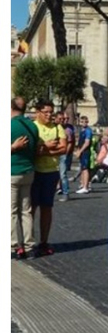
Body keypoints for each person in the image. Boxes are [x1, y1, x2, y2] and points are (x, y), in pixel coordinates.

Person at [30, 100, 67, 257]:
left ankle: (44, 241)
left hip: (51, 172)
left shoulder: (57, 128)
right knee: (31, 208)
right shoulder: (33, 127)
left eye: (51, 112)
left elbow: (64, 148)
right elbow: (31, 150)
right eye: (46, 112)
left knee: (47, 207)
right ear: (38, 112)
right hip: (35, 172)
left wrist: (43, 150)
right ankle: (28, 241)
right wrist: (48, 147)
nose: (49, 115)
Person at [11, 97, 38, 260]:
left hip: (11, 172)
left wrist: (13, 148)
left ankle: (14, 246)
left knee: (11, 212)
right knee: (26, 211)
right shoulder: (32, 126)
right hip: (28, 171)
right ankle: (29, 246)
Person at [56, 111, 75, 201]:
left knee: (63, 174)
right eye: (61, 119)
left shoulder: (67, 130)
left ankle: (66, 193)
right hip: (54, 154)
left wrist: (65, 153)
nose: (63, 120)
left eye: (64, 119)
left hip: (62, 154)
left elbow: (70, 143)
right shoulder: (55, 127)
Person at [74, 115, 94, 194]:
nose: (83, 123)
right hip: (82, 151)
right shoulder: (82, 130)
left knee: (85, 169)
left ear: (87, 122)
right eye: (82, 122)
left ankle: (85, 187)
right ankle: (83, 184)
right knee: (83, 168)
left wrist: (80, 151)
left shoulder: (88, 131)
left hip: (85, 152)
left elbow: (87, 143)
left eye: (85, 122)